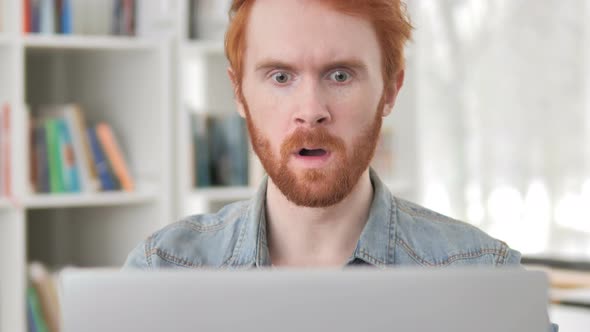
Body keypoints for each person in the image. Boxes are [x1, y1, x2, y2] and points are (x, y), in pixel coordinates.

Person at [124, 0, 520, 269]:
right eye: (280, 76)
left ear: (391, 90)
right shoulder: (161, 268)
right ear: (239, 93)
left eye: (340, 75)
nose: (311, 111)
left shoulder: (483, 270)